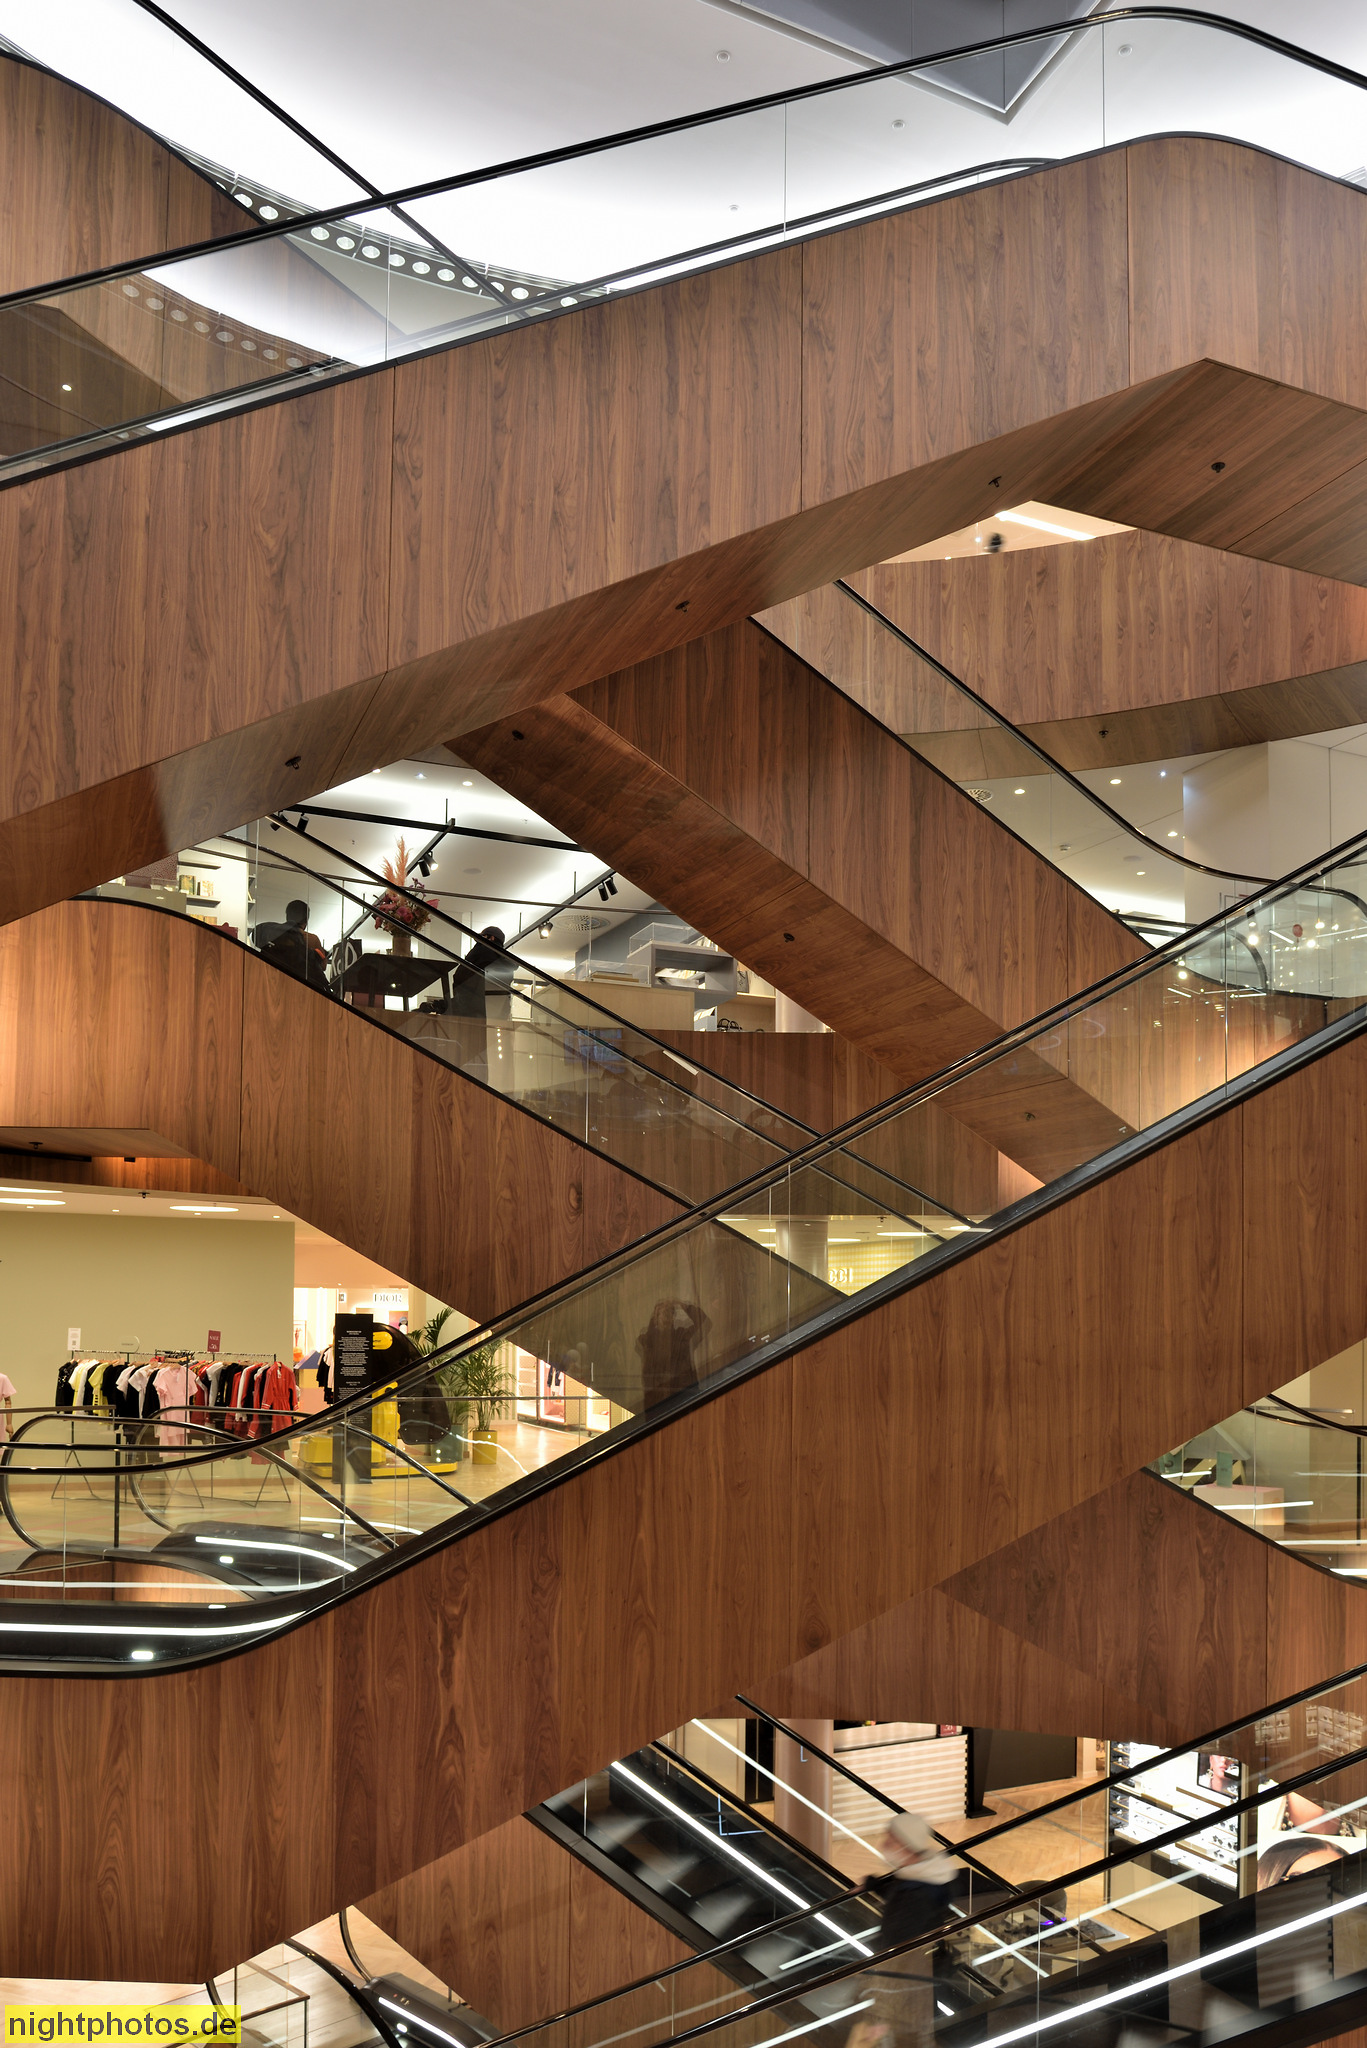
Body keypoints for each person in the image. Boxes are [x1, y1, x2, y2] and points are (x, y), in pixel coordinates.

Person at [256, 899, 330, 993]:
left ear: (287, 916)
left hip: (273, 984)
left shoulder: (274, 936)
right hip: (298, 988)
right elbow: (323, 967)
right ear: (306, 920)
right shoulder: (311, 939)